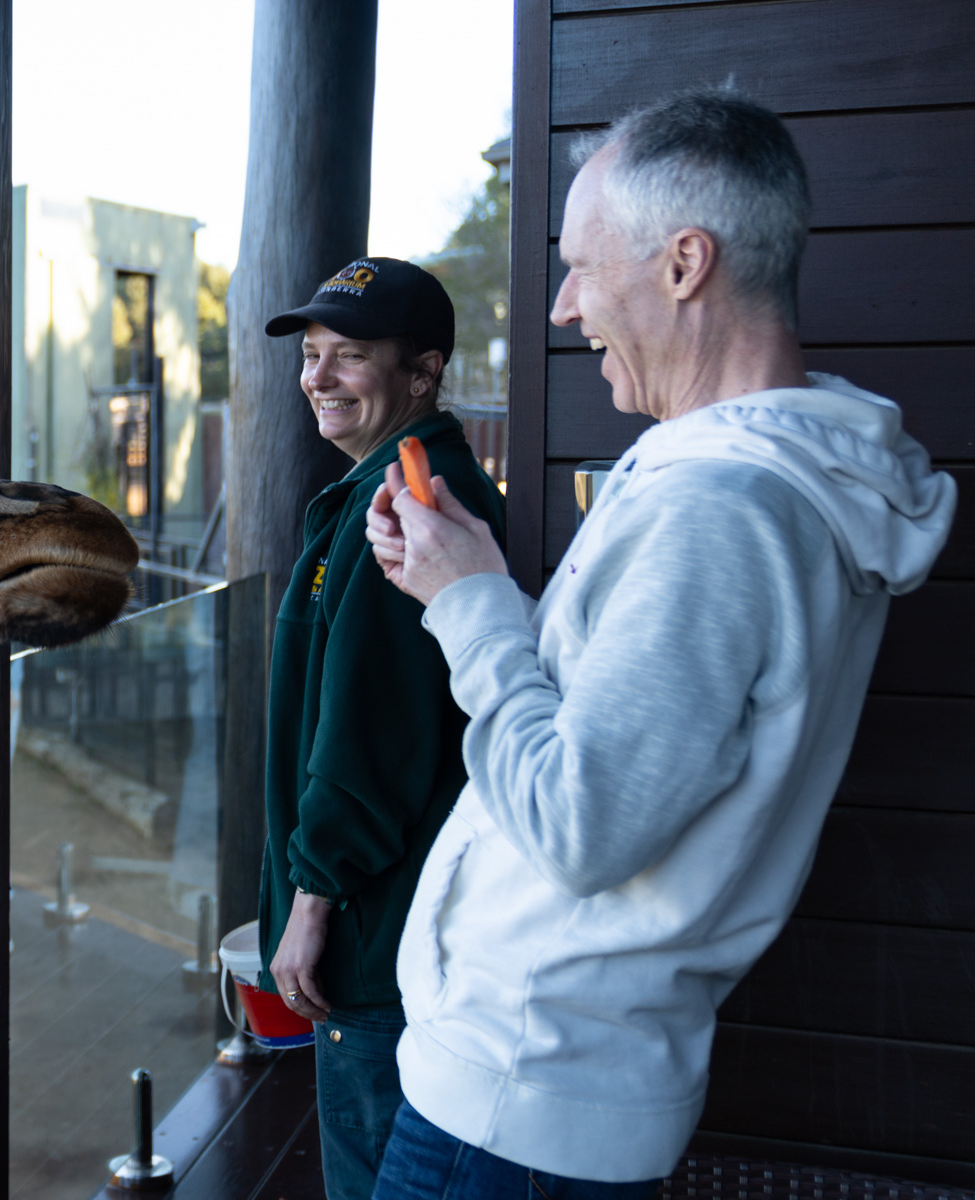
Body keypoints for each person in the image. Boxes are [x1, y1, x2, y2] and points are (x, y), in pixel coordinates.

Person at [362, 89, 956, 1197]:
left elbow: (580, 824)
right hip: (546, 1091)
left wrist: (470, 608)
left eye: (583, 265)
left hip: (512, 1109)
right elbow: (629, 738)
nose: (561, 306)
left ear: (685, 264)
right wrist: (469, 581)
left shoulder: (719, 511)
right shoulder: (759, 485)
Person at [256, 256, 505, 1200]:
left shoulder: (412, 503)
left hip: (371, 940)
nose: (317, 376)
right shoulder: (386, 487)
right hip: (378, 928)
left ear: (422, 373)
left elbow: (372, 733)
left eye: (348, 356)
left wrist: (312, 902)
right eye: (312, 354)